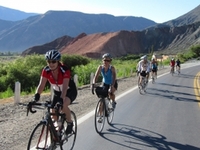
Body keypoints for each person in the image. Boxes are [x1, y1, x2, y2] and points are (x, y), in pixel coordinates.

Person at [33, 49, 77, 134]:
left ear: (58, 62)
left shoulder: (64, 70)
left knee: (63, 105)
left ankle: (70, 122)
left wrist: (61, 99)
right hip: (57, 92)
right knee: (52, 110)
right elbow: (41, 85)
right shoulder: (46, 70)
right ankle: (58, 129)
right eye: (49, 62)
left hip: (69, 91)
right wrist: (36, 96)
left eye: (53, 61)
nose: (51, 64)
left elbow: (64, 88)